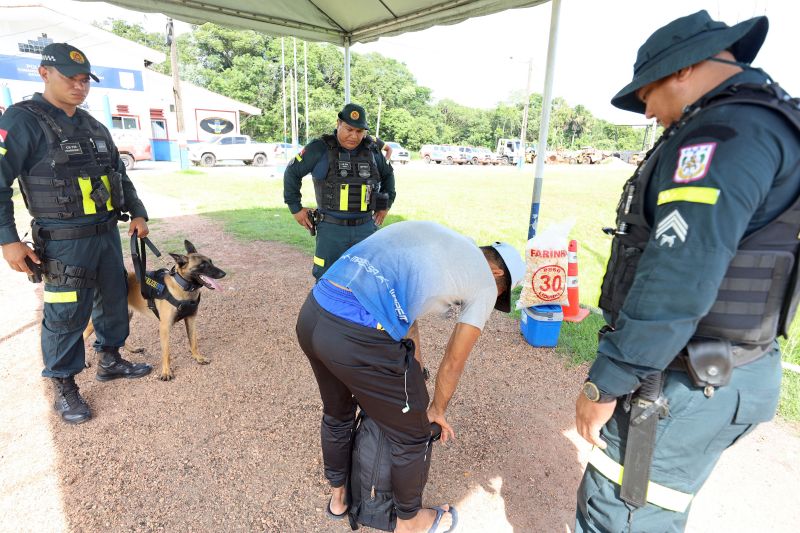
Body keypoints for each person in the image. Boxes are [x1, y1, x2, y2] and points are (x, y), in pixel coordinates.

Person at [574, 11, 799, 532]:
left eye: (646, 94)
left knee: (618, 512)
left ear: (680, 70)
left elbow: (677, 276)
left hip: (682, 381)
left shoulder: (722, 135)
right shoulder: (770, 123)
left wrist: (603, 386)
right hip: (725, 368)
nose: (648, 112)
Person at [295, 220, 524, 533]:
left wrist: (413, 378)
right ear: (498, 273)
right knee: (413, 435)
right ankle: (410, 522)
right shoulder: (484, 281)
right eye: (500, 294)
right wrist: (436, 410)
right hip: (356, 333)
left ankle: (339, 500)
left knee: (338, 412)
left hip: (313, 312)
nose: (494, 298)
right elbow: (454, 360)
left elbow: (408, 321)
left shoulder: (441, 242)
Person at [0, 43, 153, 425]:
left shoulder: (93, 125)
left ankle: (110, 358)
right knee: (66, 312)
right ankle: (64, 383)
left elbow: (119, 173)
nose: (79, 87)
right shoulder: (22, 120)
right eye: (71, 78)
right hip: (63, 239)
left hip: (104, 235)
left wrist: (137, 211)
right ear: (44, 73)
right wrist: (8, 239)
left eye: (85, 80)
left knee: (113, 296)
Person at [283, 102, 396, 279]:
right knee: (326, 277)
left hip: (365, 228)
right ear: (338, 124)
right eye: (349, 129)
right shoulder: (319, 148)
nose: (354, 136)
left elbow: (388, 176)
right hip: (331, 230)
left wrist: (384, 205)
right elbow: (292, 172)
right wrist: (295, 208)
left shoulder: (372, 150)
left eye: (359, 131)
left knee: (365, 278)